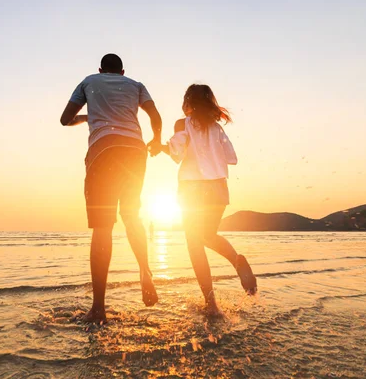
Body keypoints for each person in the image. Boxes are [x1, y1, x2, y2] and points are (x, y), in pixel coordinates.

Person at [60, 53, 163, 323]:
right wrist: (156, 140)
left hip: (103, 151)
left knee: (103, 227)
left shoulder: (89, 81)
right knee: (131, 216)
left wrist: (86, 118)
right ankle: (145, 269)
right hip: (134, 150)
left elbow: (64, 119)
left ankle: (98, 309)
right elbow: (155, 115)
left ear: (100, 69)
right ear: (122, 71)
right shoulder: (136, 85)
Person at [161, 84, 257, 317]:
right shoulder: (217, 128)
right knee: (208, 236)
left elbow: (177, 152)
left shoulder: (182, 123)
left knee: (195, 245)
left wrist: (160, 148)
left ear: (188, 101)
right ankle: (236, 260)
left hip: (192, 189)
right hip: (218, 189)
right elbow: (231, 158)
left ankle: (211, 303)